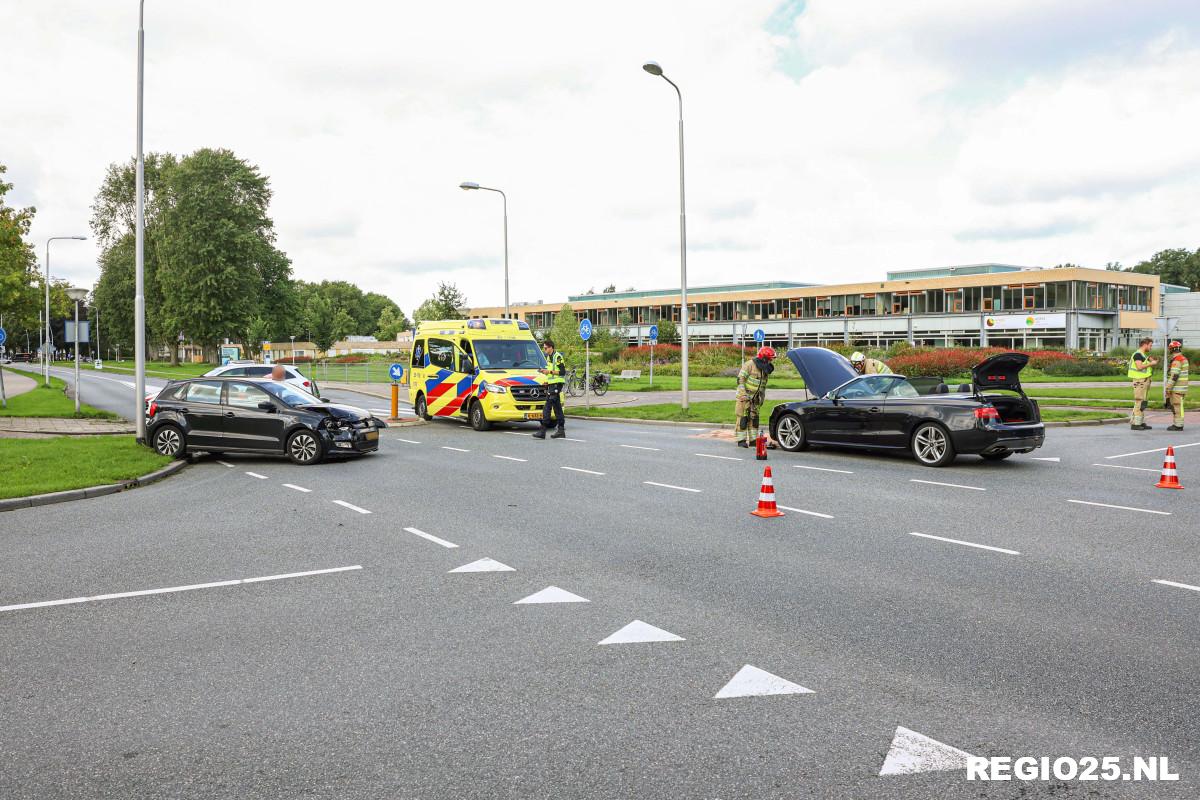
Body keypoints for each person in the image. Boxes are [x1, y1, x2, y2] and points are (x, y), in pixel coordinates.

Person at [735, 346, 775, 448]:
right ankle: (741, 440)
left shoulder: (764, 369)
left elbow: (763, 386)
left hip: (755, 399)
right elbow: (740, 380)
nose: (771, 360)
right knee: (743, 419)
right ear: (764, 358)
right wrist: (743, 394)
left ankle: (753, 441)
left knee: (754, 420)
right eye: (770, 358)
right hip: (744, 397)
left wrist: (761, 398)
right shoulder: (749, 365)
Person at [534, 338, 566, 439]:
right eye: (544, 348)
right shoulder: (548, 357)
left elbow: (562, 372)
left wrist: (549, 372)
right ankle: (561, 430)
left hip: (557, 384)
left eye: (546, 348)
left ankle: (542, 431)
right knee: (557, 408)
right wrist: (547, 381)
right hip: (552, 384)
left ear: (551, 347)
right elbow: (551, 373)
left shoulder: (558, 357)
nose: (544, 350)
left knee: (547, 406)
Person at [1128, 337, 1158, 430]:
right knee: (1139, 402)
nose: (1151, 347)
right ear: (1145, 344)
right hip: (1139, 381)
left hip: (1143, 381)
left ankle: (1140, 422)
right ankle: (1135, 424)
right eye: (1150, 345)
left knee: (1142, 402)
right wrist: (1151, 363)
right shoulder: (1137, 354)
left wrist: (1149, 360)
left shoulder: (1142, 355)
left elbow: (1143, 366)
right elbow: (1139, 367)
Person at [1163, 340, 1188, 432]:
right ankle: (1177, 424)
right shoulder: (1183, 359)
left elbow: (1174, 376)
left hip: (1177, 388)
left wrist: (1168, 387)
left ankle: (1178, 425)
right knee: (1178, 406)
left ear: (1171, 350)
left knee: (1177, 406)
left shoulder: (1177, 360)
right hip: (1182, 388)